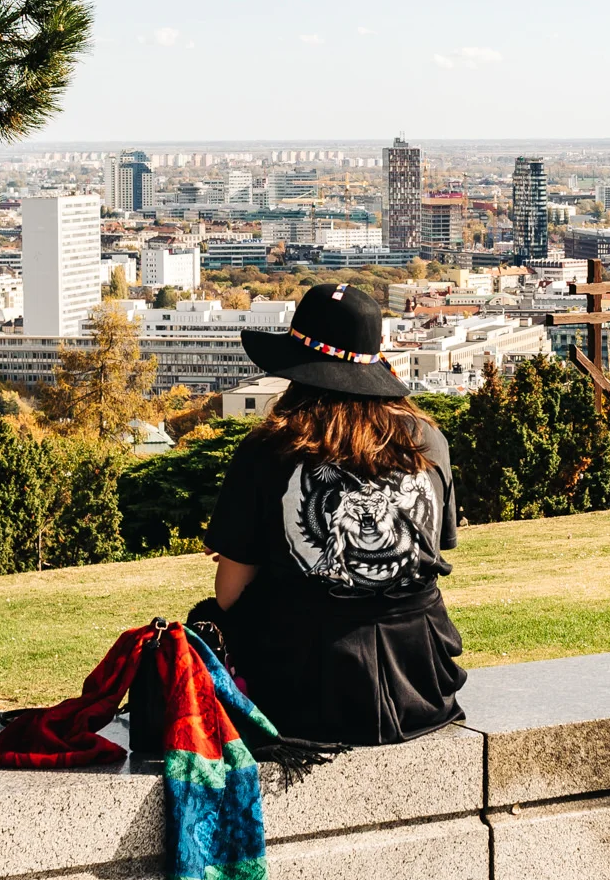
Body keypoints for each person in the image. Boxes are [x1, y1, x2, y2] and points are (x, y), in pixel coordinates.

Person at [195, 284, 466, 746]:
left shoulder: (267, 450)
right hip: (421, 683)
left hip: (300, 690)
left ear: (297, 369)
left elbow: (229, 594)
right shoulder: (428, 442)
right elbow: (430, 551)